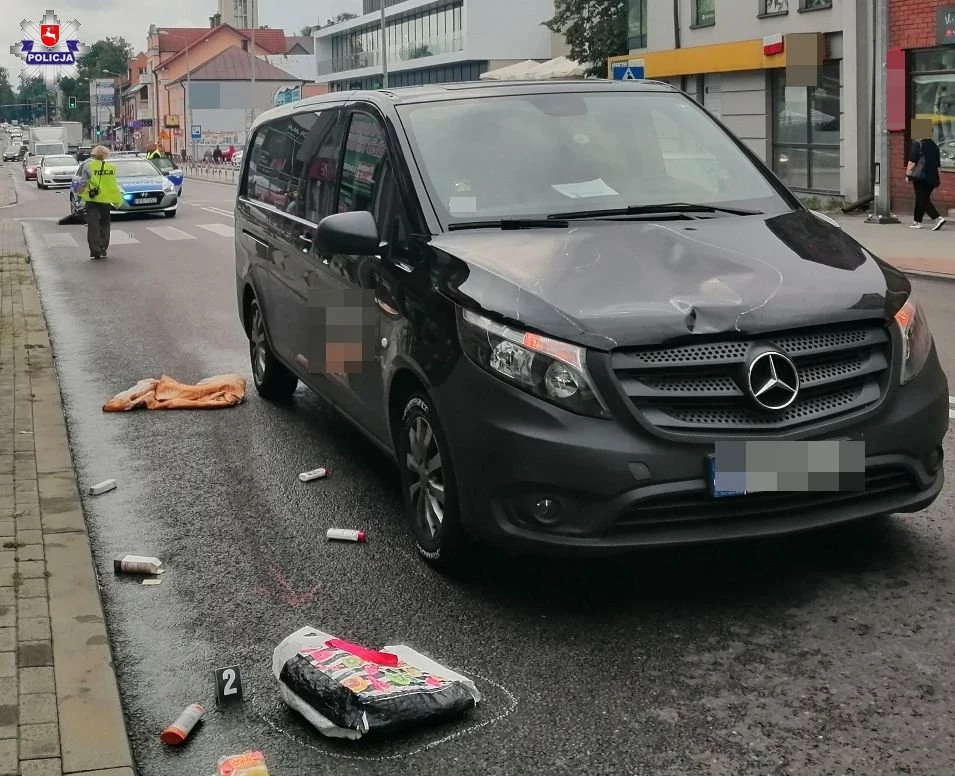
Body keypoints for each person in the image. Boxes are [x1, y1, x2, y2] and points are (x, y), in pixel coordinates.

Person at [71, 145, 123, 259]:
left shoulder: (88, 166)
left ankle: (95, 250)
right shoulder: (111, 167)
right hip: (105, 201)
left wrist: (78, 196)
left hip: (92, 200)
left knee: (93, 226)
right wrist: (117, 200)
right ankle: (103, 246)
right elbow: (113, 185)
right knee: (104, 225)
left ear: (94, 154)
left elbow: (83, 183)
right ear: (105, 155)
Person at [906, 134, 946, 230]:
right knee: (922, 198)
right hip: (932, 177)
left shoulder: (918, 144)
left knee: (922, 199)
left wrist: (908, 174)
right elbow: (938, 165)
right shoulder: (934, 146)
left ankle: (937, 218)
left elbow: (912, 161)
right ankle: (917, 221)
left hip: (920, 177)